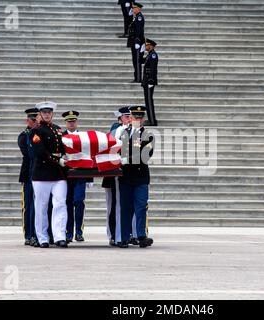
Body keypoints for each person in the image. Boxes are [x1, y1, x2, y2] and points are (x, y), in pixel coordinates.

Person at [30, 101, 69, 248]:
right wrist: (57, 160)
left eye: (49, 112)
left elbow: (64, 148)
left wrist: (66, 158)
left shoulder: (58, 129)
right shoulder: (36, 130)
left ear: (52, 113)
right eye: (44, 112)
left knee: (60, 204)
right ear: (40, 114)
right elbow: (39, 152)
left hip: (58, 174)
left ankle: (59, 236)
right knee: (41, 206)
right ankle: (42, 237)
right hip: (42, 173)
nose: (47, 114)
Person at [117, 106, 154, 248]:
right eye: (135, 117)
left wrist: (128, 160)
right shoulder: (123, 133)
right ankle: (125, 237)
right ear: (130, 118)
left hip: (140, 177)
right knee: (126, 208)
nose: (138, 119)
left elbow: (146, 155)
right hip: (125, 177)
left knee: (141, 207)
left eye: (140, 117)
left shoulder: (148, 135)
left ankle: (141, 235)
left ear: (143, 119)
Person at [61, 110, 93, 243]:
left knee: (79, 202)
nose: (71, 123)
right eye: (69, 121)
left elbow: (89, 155)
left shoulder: (83, 137)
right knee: (67, 203)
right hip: (66, 175)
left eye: (73, 121)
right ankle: (68, 232)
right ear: (65, 123)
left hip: (80, 175)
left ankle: (79, 231)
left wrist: (89, 178)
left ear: (77, 122)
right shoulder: (60, 136)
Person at [103, 107, 131, 246]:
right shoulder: (116, 128)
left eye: (130, 116)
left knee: (125, 205)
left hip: (129, 175)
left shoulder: (134, 130)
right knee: (114, 206)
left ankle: (127, 234)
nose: (129, 119)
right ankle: (114, 235)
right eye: (126, 116)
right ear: (120, 118)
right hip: (114, 175)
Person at [18, 107, 39, 246]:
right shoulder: (24, 135)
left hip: (40, 174)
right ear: (27, 120)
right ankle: (28, 234)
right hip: (28, 174)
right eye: (33, 120)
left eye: (36, 119)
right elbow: (28, 154)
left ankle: (38, 233)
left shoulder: (40, 133)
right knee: (28, 205)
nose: (35, 122)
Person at [142, 38, 159, 126]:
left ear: (151, 46)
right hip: (146, 80)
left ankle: (152, 121)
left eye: (147, 45)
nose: (146, 46)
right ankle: (150, 119)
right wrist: (141, 52)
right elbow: (140, 61)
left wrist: (151, 81)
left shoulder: (153, 55)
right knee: (147, 101)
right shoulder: (149, 55)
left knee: (149, 101)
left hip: (149, 81)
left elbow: (153, 69)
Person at [127, 3, 145, 83]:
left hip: (137, 42)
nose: (133, 9)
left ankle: (138, 78)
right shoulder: (136, 17)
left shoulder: (139, 17)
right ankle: (136, 77)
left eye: (134, 8)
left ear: (139, 9)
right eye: (133, 8)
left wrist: (137, 41)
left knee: (137, 61)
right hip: (133, 41)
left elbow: (139, 30)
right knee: (135, 60)